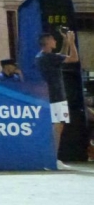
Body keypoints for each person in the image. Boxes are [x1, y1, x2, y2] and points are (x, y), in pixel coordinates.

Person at [35, 30, 79, 170]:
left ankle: (51, 158)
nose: (55, 41)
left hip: (53, 95)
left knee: (57, 126)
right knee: (57, 127)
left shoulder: (44, 57)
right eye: (53, 39)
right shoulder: (48, 57)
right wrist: (72, 42)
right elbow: (73, 58)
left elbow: (60, 57)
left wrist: (65, 43)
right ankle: (53, 159)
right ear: (47, 42)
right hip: (56, 96)